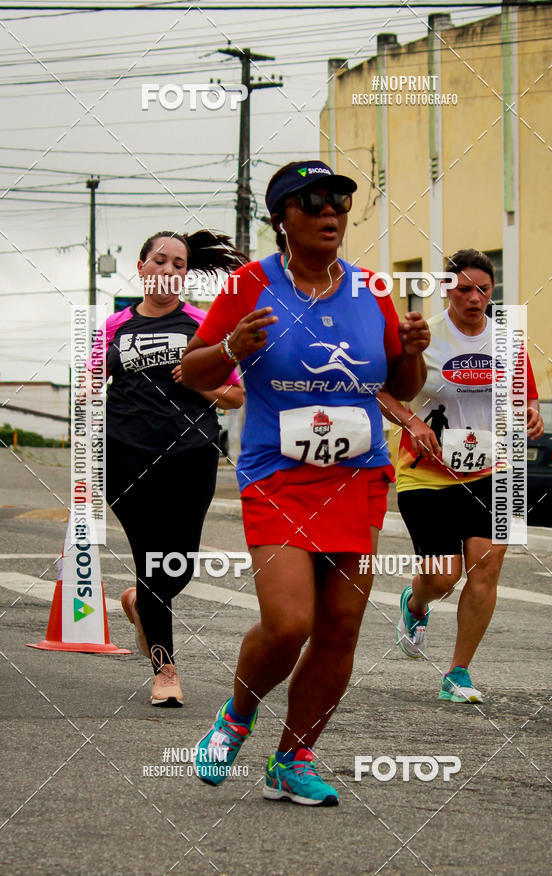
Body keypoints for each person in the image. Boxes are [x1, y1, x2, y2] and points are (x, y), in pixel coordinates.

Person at [181, 160, 429, 806]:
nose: (331, 212)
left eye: (340, 202)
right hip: (279, 474)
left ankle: (293, 759)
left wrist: (413, 350)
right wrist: (233, 347)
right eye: (314, 201)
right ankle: (237, 715)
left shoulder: (371, 288)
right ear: (282, 219)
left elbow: (397, 387)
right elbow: (192, 373)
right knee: (289, 622)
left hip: (356, 476)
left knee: (342, 625)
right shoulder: (249, 285)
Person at [378, 249, 544, 703]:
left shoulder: (507, 337)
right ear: (447, 289)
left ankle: (458, 674)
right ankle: (415, 604)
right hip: (427, 473)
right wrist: (412, 422)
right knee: (442, 577)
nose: (474, 298)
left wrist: (530, 411)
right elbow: (381, 390)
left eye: (483, 289)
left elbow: (525, 394)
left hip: (498, 467)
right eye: (464, 288)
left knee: (487, 568)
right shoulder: (423, 335)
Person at [90, 229, 245, 707]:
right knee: (151, 558)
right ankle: (165, 667)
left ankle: (139, 603)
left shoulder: (203, 325)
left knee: (176, 568)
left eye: (179, 265)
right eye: (160, 261)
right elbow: (88, 385)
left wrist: (200, 387)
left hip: (190, 457)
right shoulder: (113, 327)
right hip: (124, 455)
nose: (169, 271)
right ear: (141, 267)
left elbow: (237, 394)